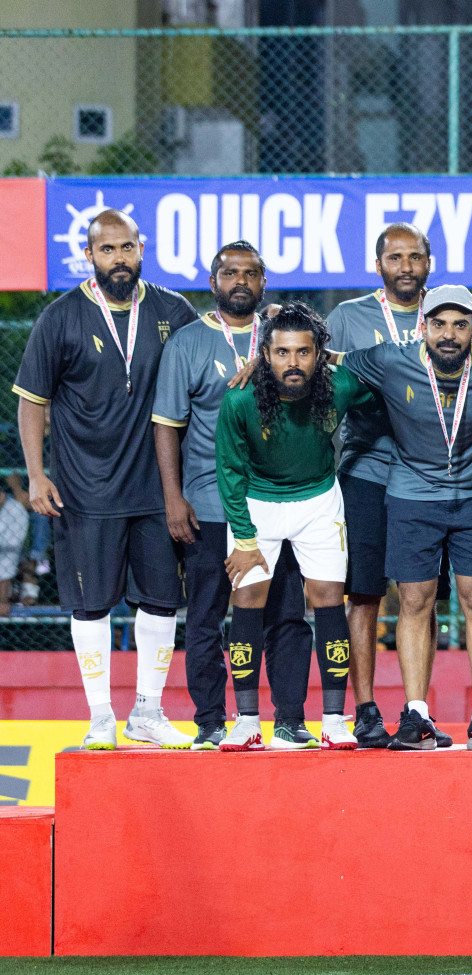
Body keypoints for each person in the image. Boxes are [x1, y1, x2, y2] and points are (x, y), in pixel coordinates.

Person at [13, 209, 198, 750]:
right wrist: (36, 474)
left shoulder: (173, 310)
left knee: (161, 600)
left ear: (142, 249)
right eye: (107, 249)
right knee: (89, 604)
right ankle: (99, 716)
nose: (119, 258)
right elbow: (31, 401)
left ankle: (147, 712)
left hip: (159, 490)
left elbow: (203, 375)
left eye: (127, 248)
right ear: (89, 256)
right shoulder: (61, 316)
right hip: (84, 490)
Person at [337, 284, 472, 751]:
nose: (449, 335)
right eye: (439, 324)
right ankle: (415, 714)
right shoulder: (391, 358)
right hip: (411, 498)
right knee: (414, 603)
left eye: (460, 325)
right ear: (423, 326)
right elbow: (330, 359)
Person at [153, 240, 313, 749]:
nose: (239, 281)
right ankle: (210, 722)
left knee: (285, 614)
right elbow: (166, 426)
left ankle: (288, 719)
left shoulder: (286, 339)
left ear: (264, 282)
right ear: (213, 282)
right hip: (209, 506)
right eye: (229, 273)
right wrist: (173, 497)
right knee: (206, 616)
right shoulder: (187, 343)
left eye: (250, 273)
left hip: (278, 505)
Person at [216, 302, 366, 750]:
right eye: (281, 353)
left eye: (303, 352)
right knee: (247, 597)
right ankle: (245, 721)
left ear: (319, 354)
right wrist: (243, 538)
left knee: (327, 599)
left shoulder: (341, 385)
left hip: (320, 500)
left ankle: (336, 720)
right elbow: (229, 472)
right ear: (265, 353)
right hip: (257, 504)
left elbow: (386, 381)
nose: (293, 363)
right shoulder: (240, 399)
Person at [327, 222, 450, 749]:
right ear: (378, 265)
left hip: (431, 476)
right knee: (365, 593)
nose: (405, 266)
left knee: (420, 595)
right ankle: (364, 709)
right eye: (394, 257)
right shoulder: (348, 318)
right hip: (368, 472)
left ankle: (416, 710)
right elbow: (313, 372)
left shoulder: (450, 318)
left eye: (415, 256)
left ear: (429, 262)